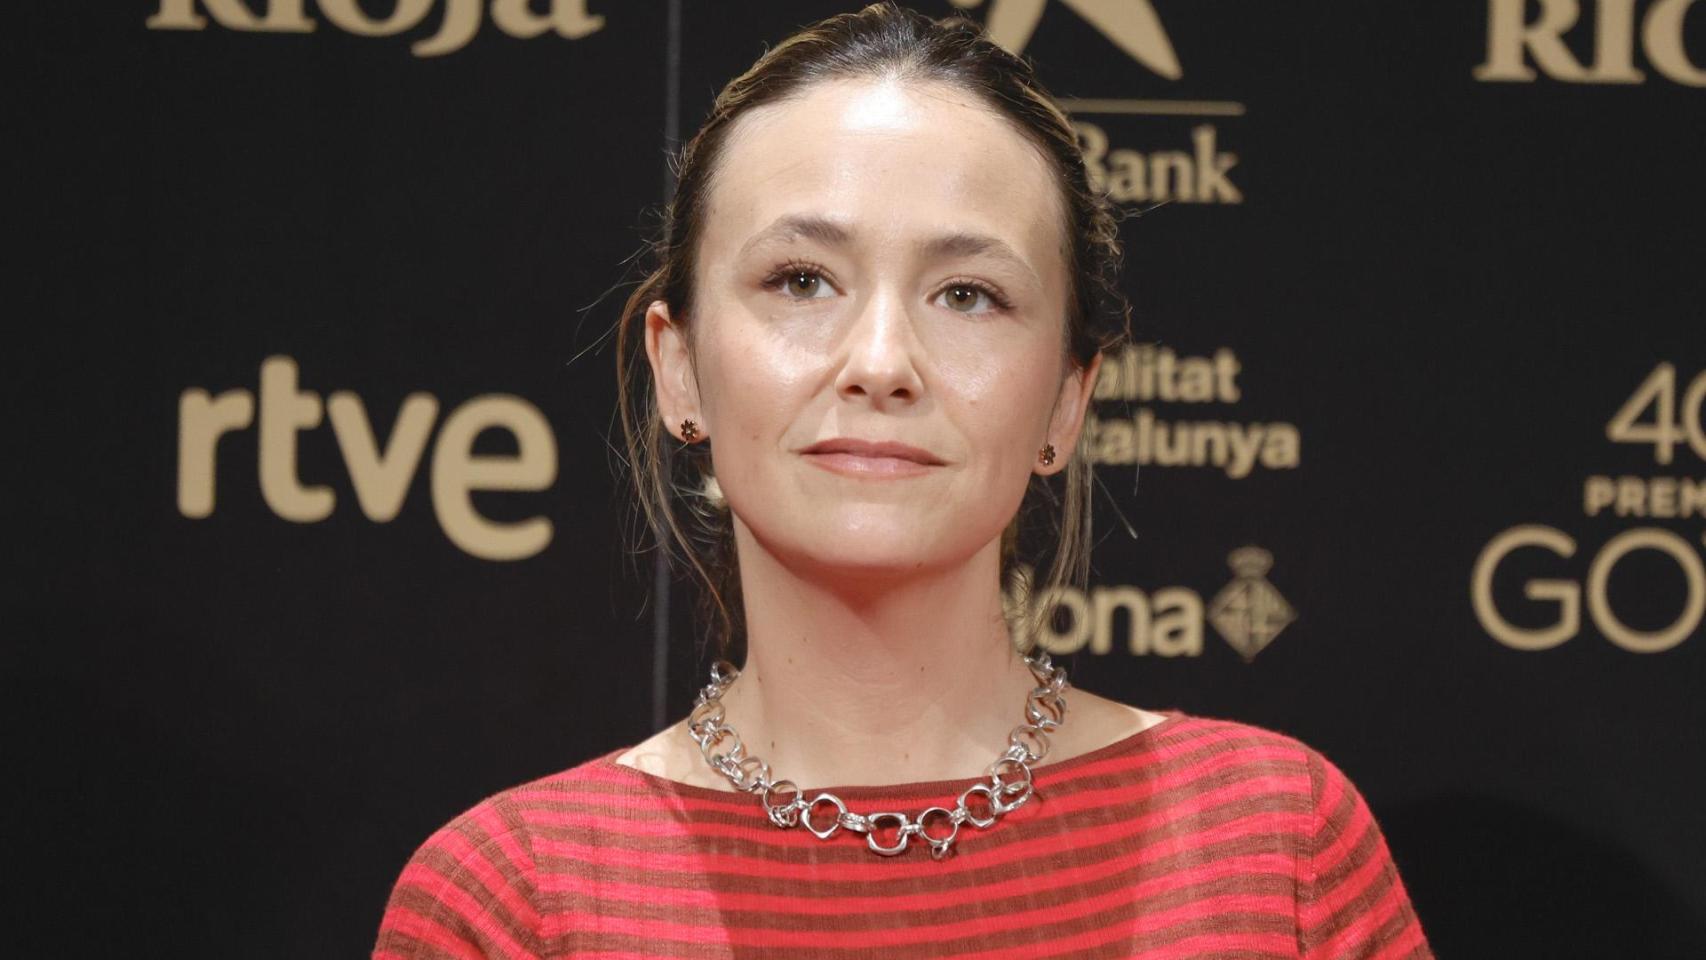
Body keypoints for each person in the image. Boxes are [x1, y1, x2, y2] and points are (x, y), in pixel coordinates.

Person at [372, 4, 1433, 957]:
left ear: (1067, 400)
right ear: (678, 368)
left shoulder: (1270, 845)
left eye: (967, 294)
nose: (880, 363)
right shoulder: (517, 899)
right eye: (801, 281)